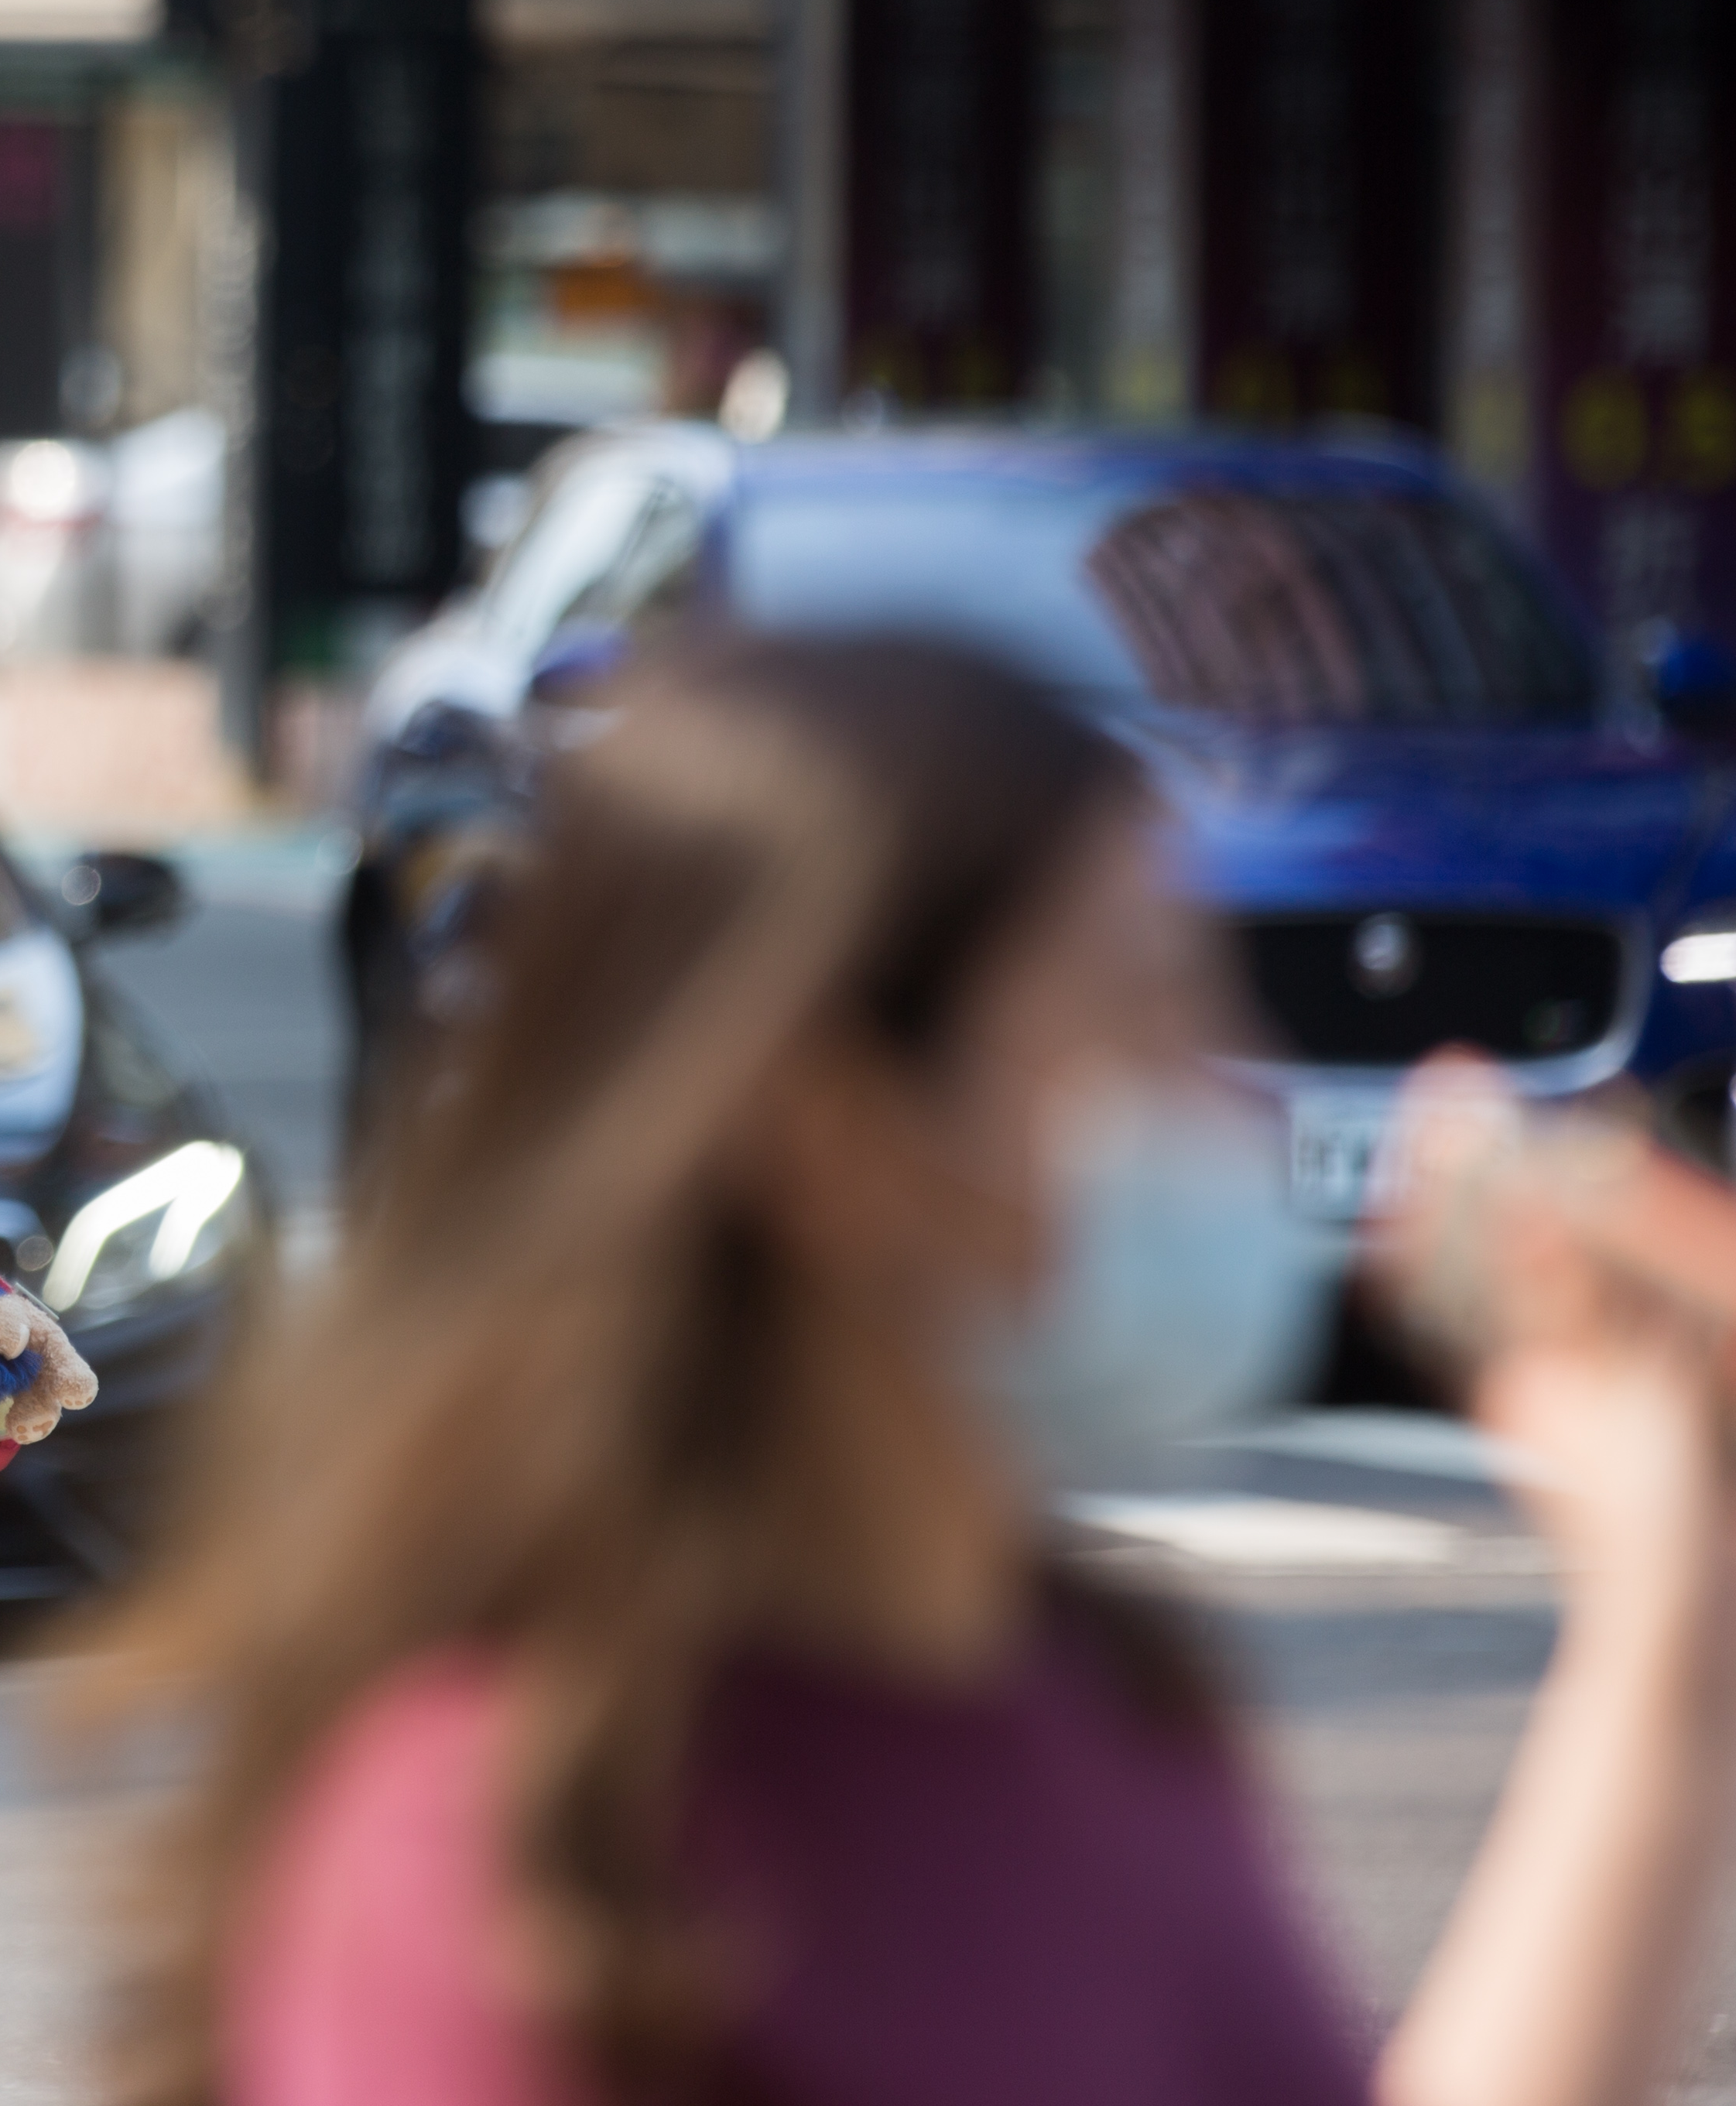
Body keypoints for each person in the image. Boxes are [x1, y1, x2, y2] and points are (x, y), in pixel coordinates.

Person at [90, 635, 1736, 2106]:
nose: (1241, 1099)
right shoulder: (491, 1855)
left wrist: (1664, 1615)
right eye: (1145, 1016)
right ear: (831, 1126)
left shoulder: (1088, 1705)